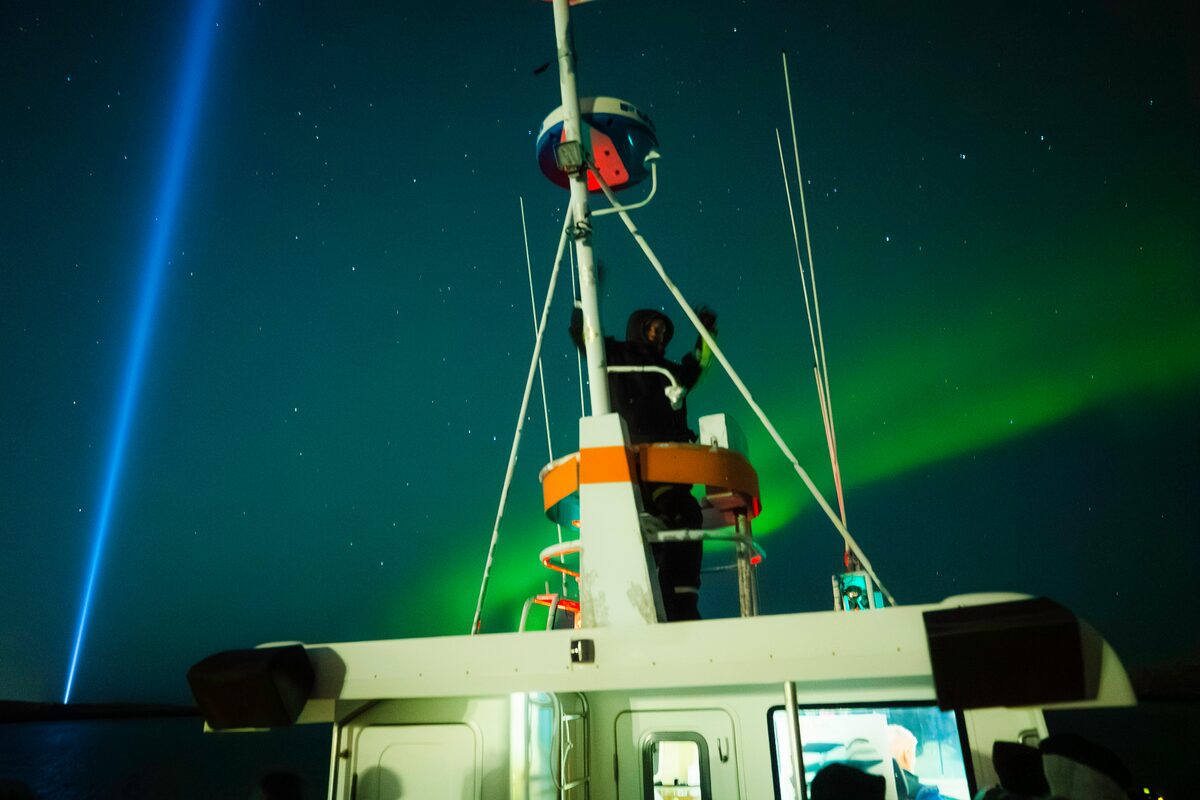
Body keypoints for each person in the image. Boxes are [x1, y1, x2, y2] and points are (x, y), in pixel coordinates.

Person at [570, 304, 717, 621]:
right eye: (652, 327)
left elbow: (695, 368)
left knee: (685, 515)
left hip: (669, 471)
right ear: (638, 328)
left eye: (662, 331)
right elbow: (585, 338)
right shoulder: (615, 357)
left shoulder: (668, 371)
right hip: (630, 471)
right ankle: (637, 604)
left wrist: (705, 334)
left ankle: (681, 605)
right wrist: (582, 305)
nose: (657, 334)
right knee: (645, 526)